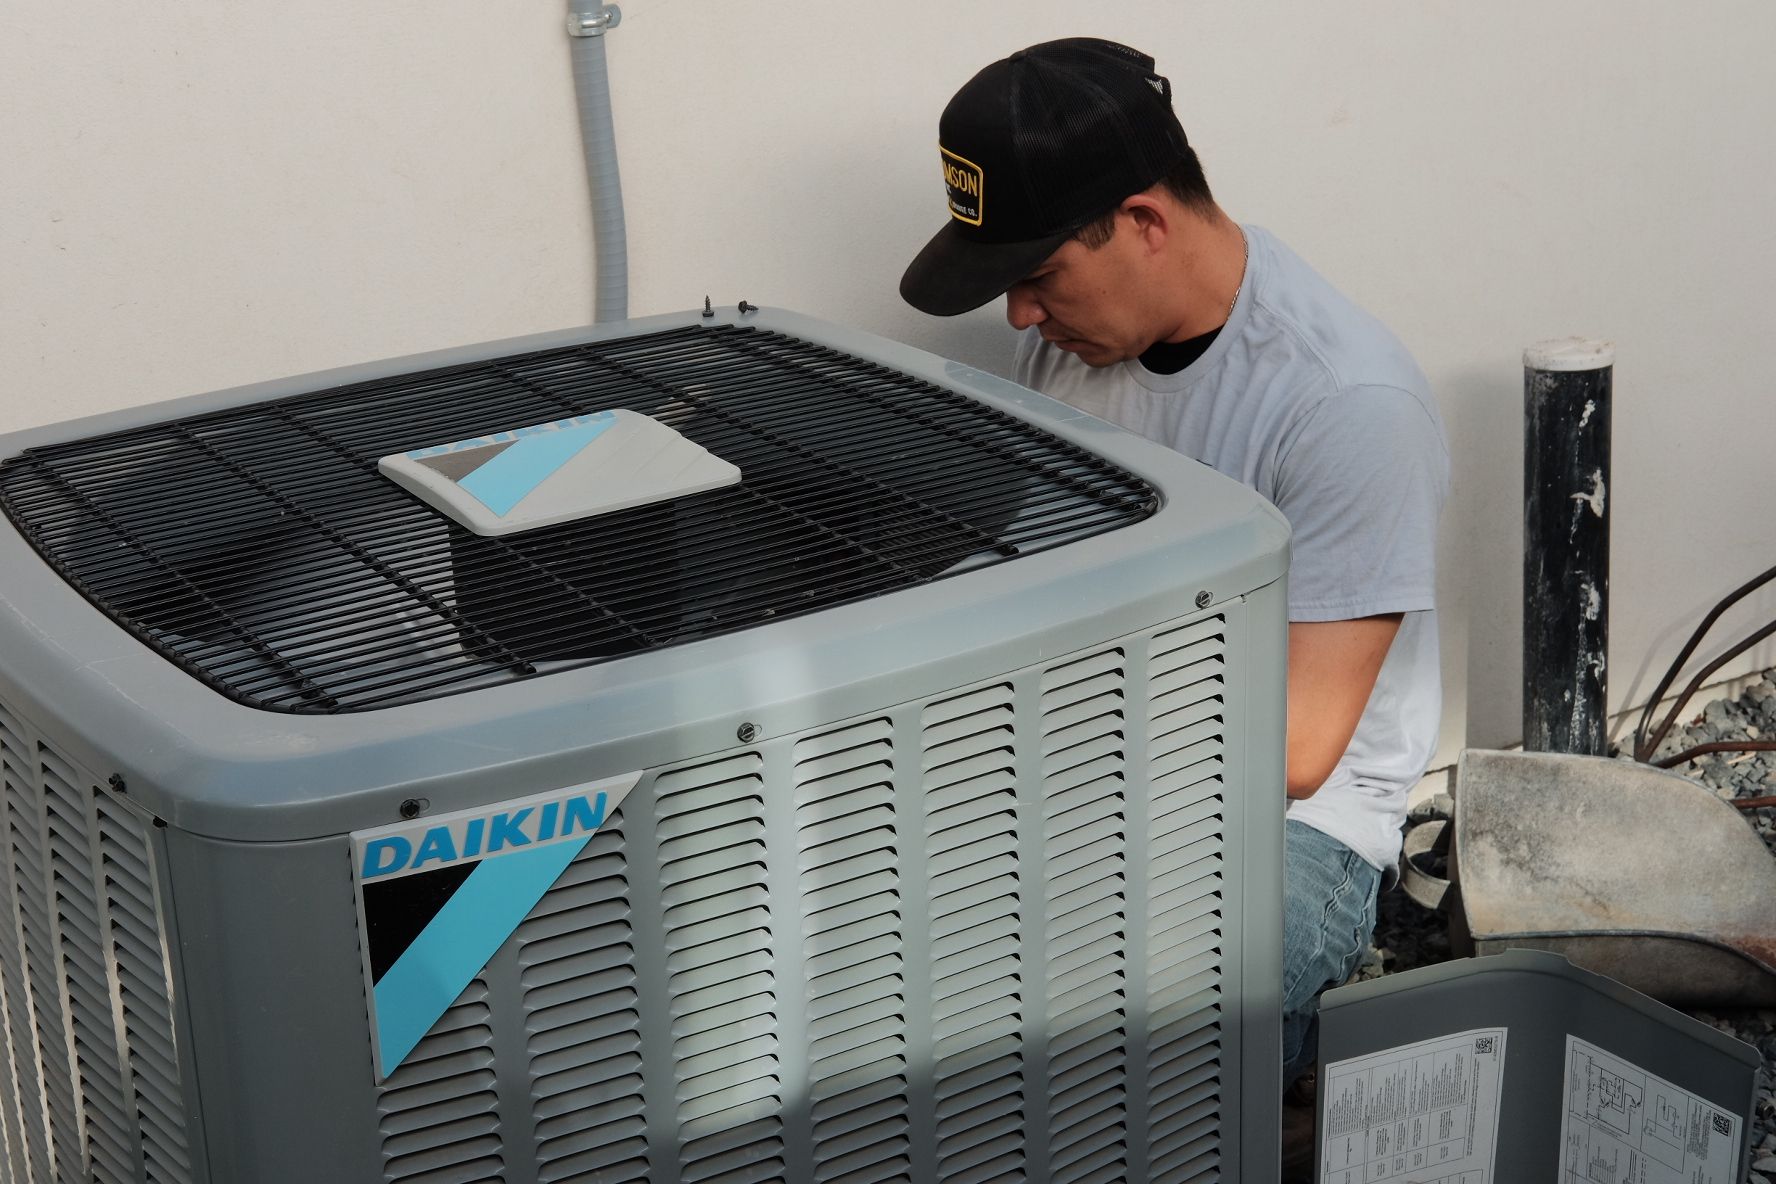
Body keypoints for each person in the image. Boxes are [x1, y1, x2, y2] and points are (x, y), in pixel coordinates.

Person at [898, 32, 1450, 1141]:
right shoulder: (1077, 341)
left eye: (1037, 274)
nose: (1017, 317)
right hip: (1089, 760)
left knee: (1142, 1065)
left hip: (1288, 825)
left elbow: (1295, 747)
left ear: (1145, 223)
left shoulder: (1344, 402)